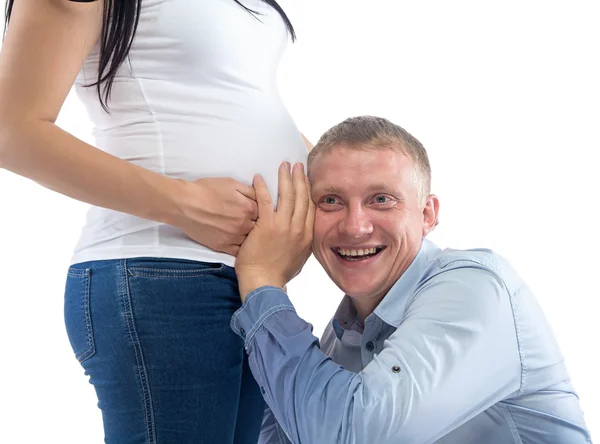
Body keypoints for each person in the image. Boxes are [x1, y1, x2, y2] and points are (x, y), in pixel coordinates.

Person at [0, 0, 311, 442]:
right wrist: (184, 203)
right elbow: (11, 132)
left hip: (248, 281)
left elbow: (240, 100)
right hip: (160, 274)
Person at [233, 116, 593, 443]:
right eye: (331, 200)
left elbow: (354, 435)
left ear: (427, 214)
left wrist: (263, 282)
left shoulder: (476, 290)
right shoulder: (339, 341)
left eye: (381, 199)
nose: (355, 226)